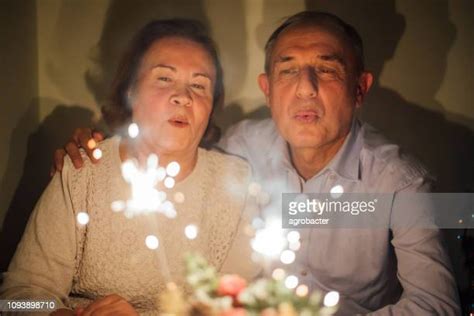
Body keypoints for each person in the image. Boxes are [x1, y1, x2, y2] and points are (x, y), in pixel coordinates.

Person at [52, 11, 460, 315]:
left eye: (326, 69)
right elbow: (176, 145)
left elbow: (437, 304)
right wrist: (97, 147)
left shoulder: (401, 184)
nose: (305, 89)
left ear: (359, 89)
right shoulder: (240, 148)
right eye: (288, 71)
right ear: (267, 89)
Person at [0, 19, 257, 316]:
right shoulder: (83, 170)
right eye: (164, 78)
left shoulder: (236, 183)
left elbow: (237, 308)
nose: (183, 97)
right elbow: (14, 298)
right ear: (130, 92)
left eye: (199, 85)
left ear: (211, 105)